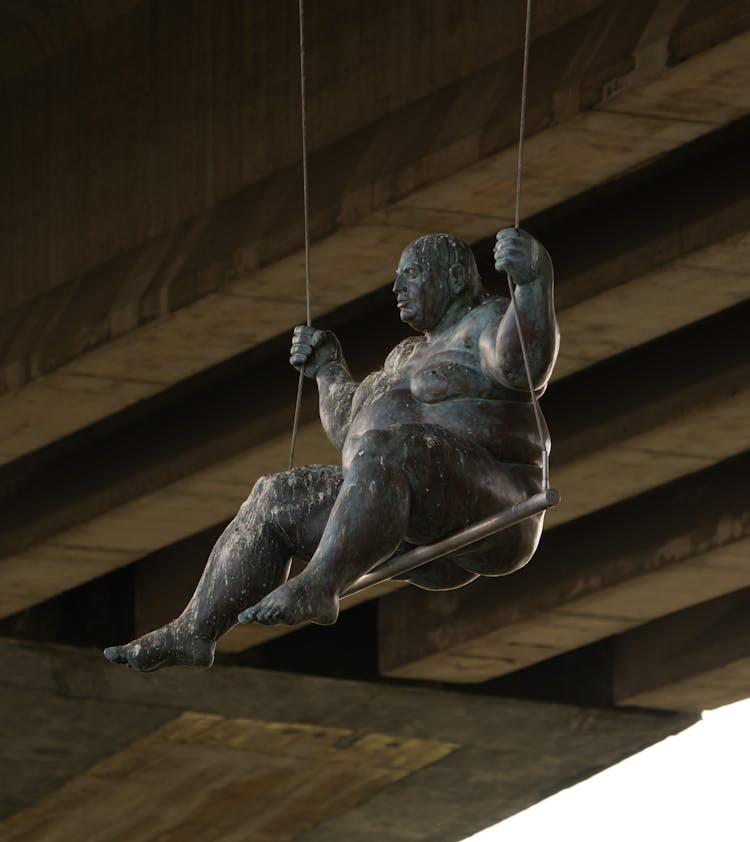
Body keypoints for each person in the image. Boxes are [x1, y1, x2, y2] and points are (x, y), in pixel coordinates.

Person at [104, 227, 559, 671]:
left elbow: (524, 368)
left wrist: (534, 282)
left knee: (391, 449)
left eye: (413, 273)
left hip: (493, 503)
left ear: (456, 278)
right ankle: (194, 630)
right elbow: (352, 432)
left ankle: (320, 584)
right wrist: (327, 370)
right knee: (274, 496)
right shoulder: (403, 356)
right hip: (406, 511)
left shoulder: (484, 321)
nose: (397, 286)